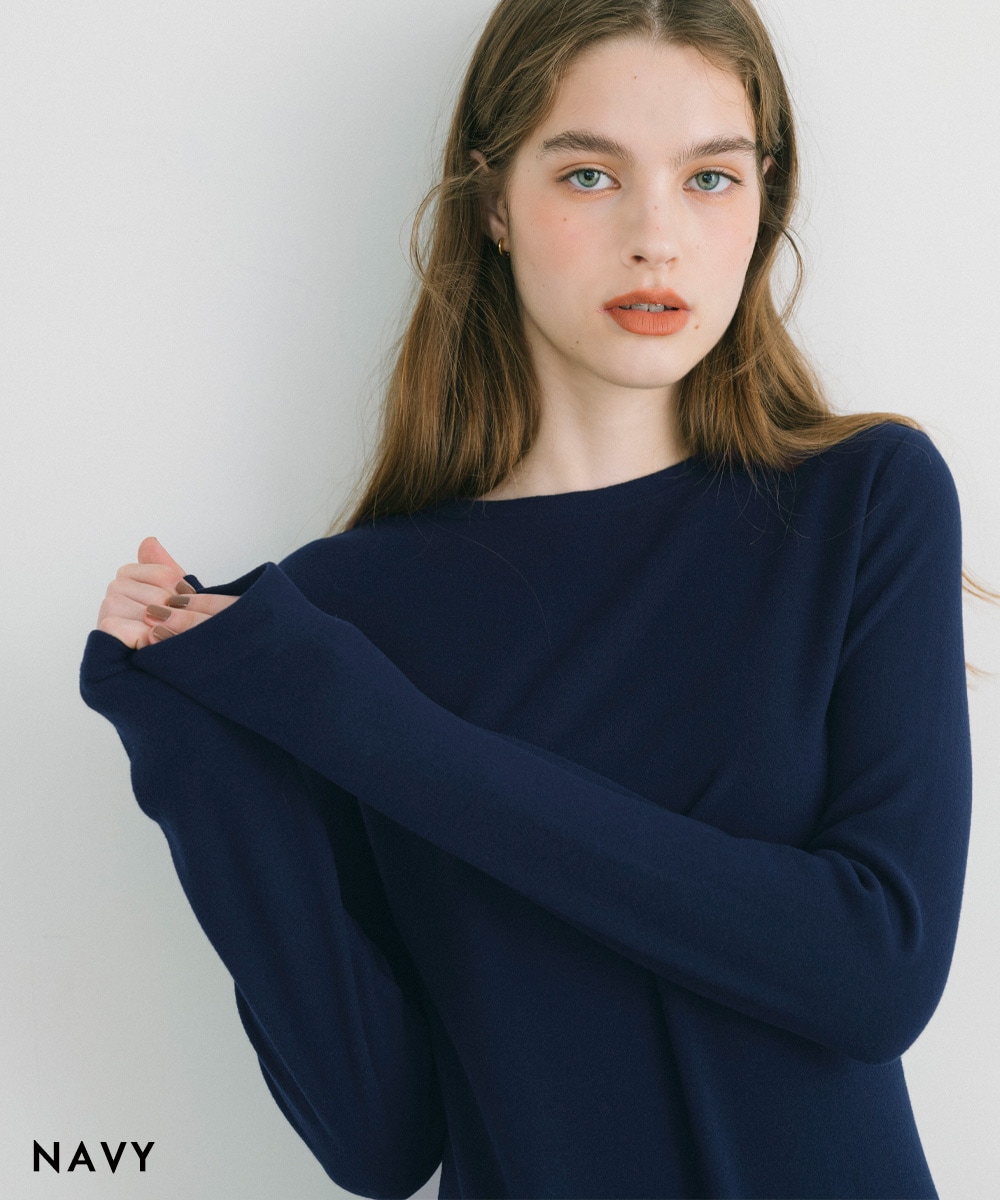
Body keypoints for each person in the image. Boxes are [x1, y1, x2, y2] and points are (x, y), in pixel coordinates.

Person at [79, 1, 987, 1197]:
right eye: (590, 174)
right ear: (494, 203)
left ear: (764, 202)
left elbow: (872, 977)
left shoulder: (858, 502)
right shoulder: (339, 615)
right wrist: (191, 746)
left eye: (710, 178)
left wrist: (374, 727)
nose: (656, 238)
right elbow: (379, 1137)